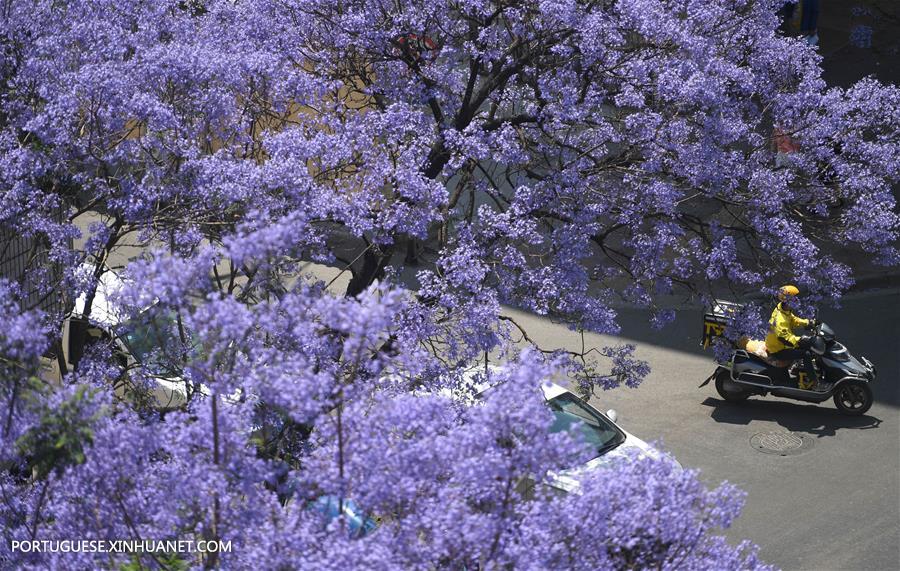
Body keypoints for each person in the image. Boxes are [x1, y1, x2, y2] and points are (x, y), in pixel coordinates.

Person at [765, 285, 818, 389]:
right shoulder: (781, 318)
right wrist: (800, 339)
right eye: (795, 298)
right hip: (778, 350)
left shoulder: (783, 309)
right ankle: (813, 381)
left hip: (781, 345)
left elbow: (793, 319)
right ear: (788, 300)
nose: (797, 300)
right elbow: (784, 338)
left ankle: (800, 370)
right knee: (806, 354)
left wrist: (808, 322)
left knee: (807, 348)